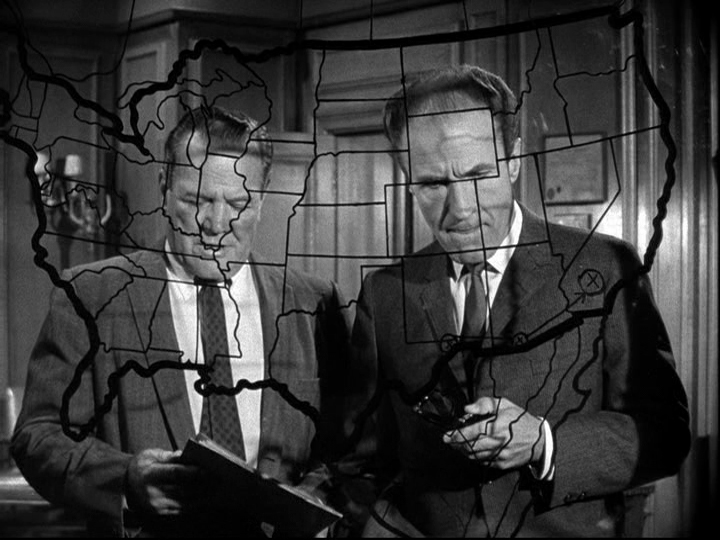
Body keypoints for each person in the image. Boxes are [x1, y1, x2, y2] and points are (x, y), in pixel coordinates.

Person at [344, 65, 691, 537]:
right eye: (432, 184)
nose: (460, 209)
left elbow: (666, 434)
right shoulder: (384, 293)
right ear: (408, 182)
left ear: (513, 161)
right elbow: (362, 461)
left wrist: (545, 444)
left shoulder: (606, 267)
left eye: (479, 174)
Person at [11, 105, 350, 537]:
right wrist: (125, 478)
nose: (217, 224)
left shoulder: (314, 304)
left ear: (262, 199)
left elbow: (349, 450)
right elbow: (38, 436)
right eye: (196, 200)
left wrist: (312, 506)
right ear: (164, 188)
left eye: (238, 203)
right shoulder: (90, 296)